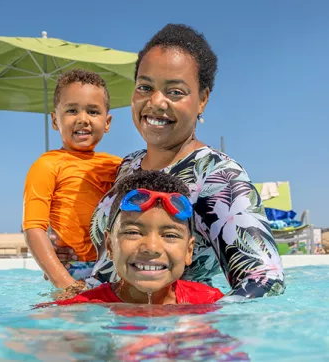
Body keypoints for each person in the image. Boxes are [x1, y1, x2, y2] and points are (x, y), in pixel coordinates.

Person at [82, 24, 285, 299]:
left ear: (202, 99)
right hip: (108, 323)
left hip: (168, 335)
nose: (156, 101)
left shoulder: (217, 177)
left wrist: (192, 325)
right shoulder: (129, 166)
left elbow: (265, 280)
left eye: (175, 92)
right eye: (145, 87)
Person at [36, 171, 224, 307]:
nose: (151, 247)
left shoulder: (210, 302)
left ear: (189, 251)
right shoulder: (80, 308)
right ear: (109, 244)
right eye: (134, 232)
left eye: (170, 235)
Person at [23, 69, 122, 292]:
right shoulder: (47, 165)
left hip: (116, 268)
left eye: (93, 111)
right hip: (71, 269)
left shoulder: (118, 166)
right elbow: (33, 228)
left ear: (107, 122)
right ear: (55, 120)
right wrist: (62, 281)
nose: (83, 119)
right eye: (72, 110)